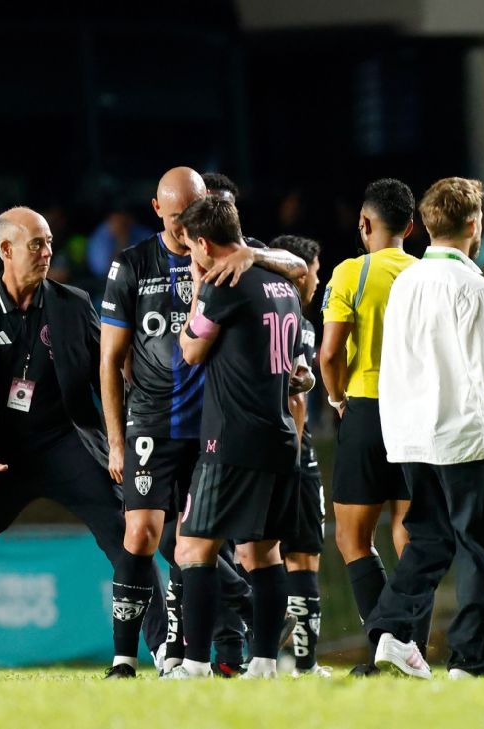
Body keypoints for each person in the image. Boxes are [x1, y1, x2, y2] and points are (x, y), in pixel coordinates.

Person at [0, 207, 165, 680]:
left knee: (129, 538)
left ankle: (166, 653)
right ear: (5, 250)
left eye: (50, 241)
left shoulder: (75, 304)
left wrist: (120, 441)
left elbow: (114, 372)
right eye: (36, 244)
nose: (48, 251)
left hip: (64, 440)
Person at [100, 167, 308, 677]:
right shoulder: (132, 265)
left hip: (220, 429)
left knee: (200, 547)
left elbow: (194, 348)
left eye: (189, 219)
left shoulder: (235, 262)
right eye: (172, 218)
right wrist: (115, 439)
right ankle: (132, 657)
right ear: (157, 211)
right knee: (153, 535)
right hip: (163, 421)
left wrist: (247, 258)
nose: (179, 230)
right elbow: (111, 358)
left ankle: (206, 660)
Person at [369, 177, 484, 680]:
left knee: (428, 542)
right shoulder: (471, 285)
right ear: (475, 225)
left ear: (425, 225)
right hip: (464, 437)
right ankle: (474, 660)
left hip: (410, 436)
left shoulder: (407, 281)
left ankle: (393, 633)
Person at [167, 196, 315, 680]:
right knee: (262, 553)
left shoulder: (221, 284)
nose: (191, 258)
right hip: (280, 436)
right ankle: (266, 663)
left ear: (205, 243)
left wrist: (195, 289)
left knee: (192, 550)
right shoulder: (282, 285)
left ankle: (192, 666)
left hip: (231, 440)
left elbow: (189, 351)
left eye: (191, 249)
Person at [318, 178, 420, 675]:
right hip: (420, 414)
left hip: (366, 408)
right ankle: (411, 645)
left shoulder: (350, 273)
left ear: (364, 224)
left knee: (353, 538)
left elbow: (330, 352)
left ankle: (386, 642)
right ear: (412, 226)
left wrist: (336, 397)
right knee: (410, 532)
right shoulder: (427, 275)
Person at [267, 234, 329, 677]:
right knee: (268, 551)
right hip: (280, 452)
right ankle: (275, 657)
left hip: (289, 453)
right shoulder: (283, 321)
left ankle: (298, 662)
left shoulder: (304, 325)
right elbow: (294, 397)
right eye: (314, 270)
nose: (317, 279)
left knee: (299, 553)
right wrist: (293, 448)